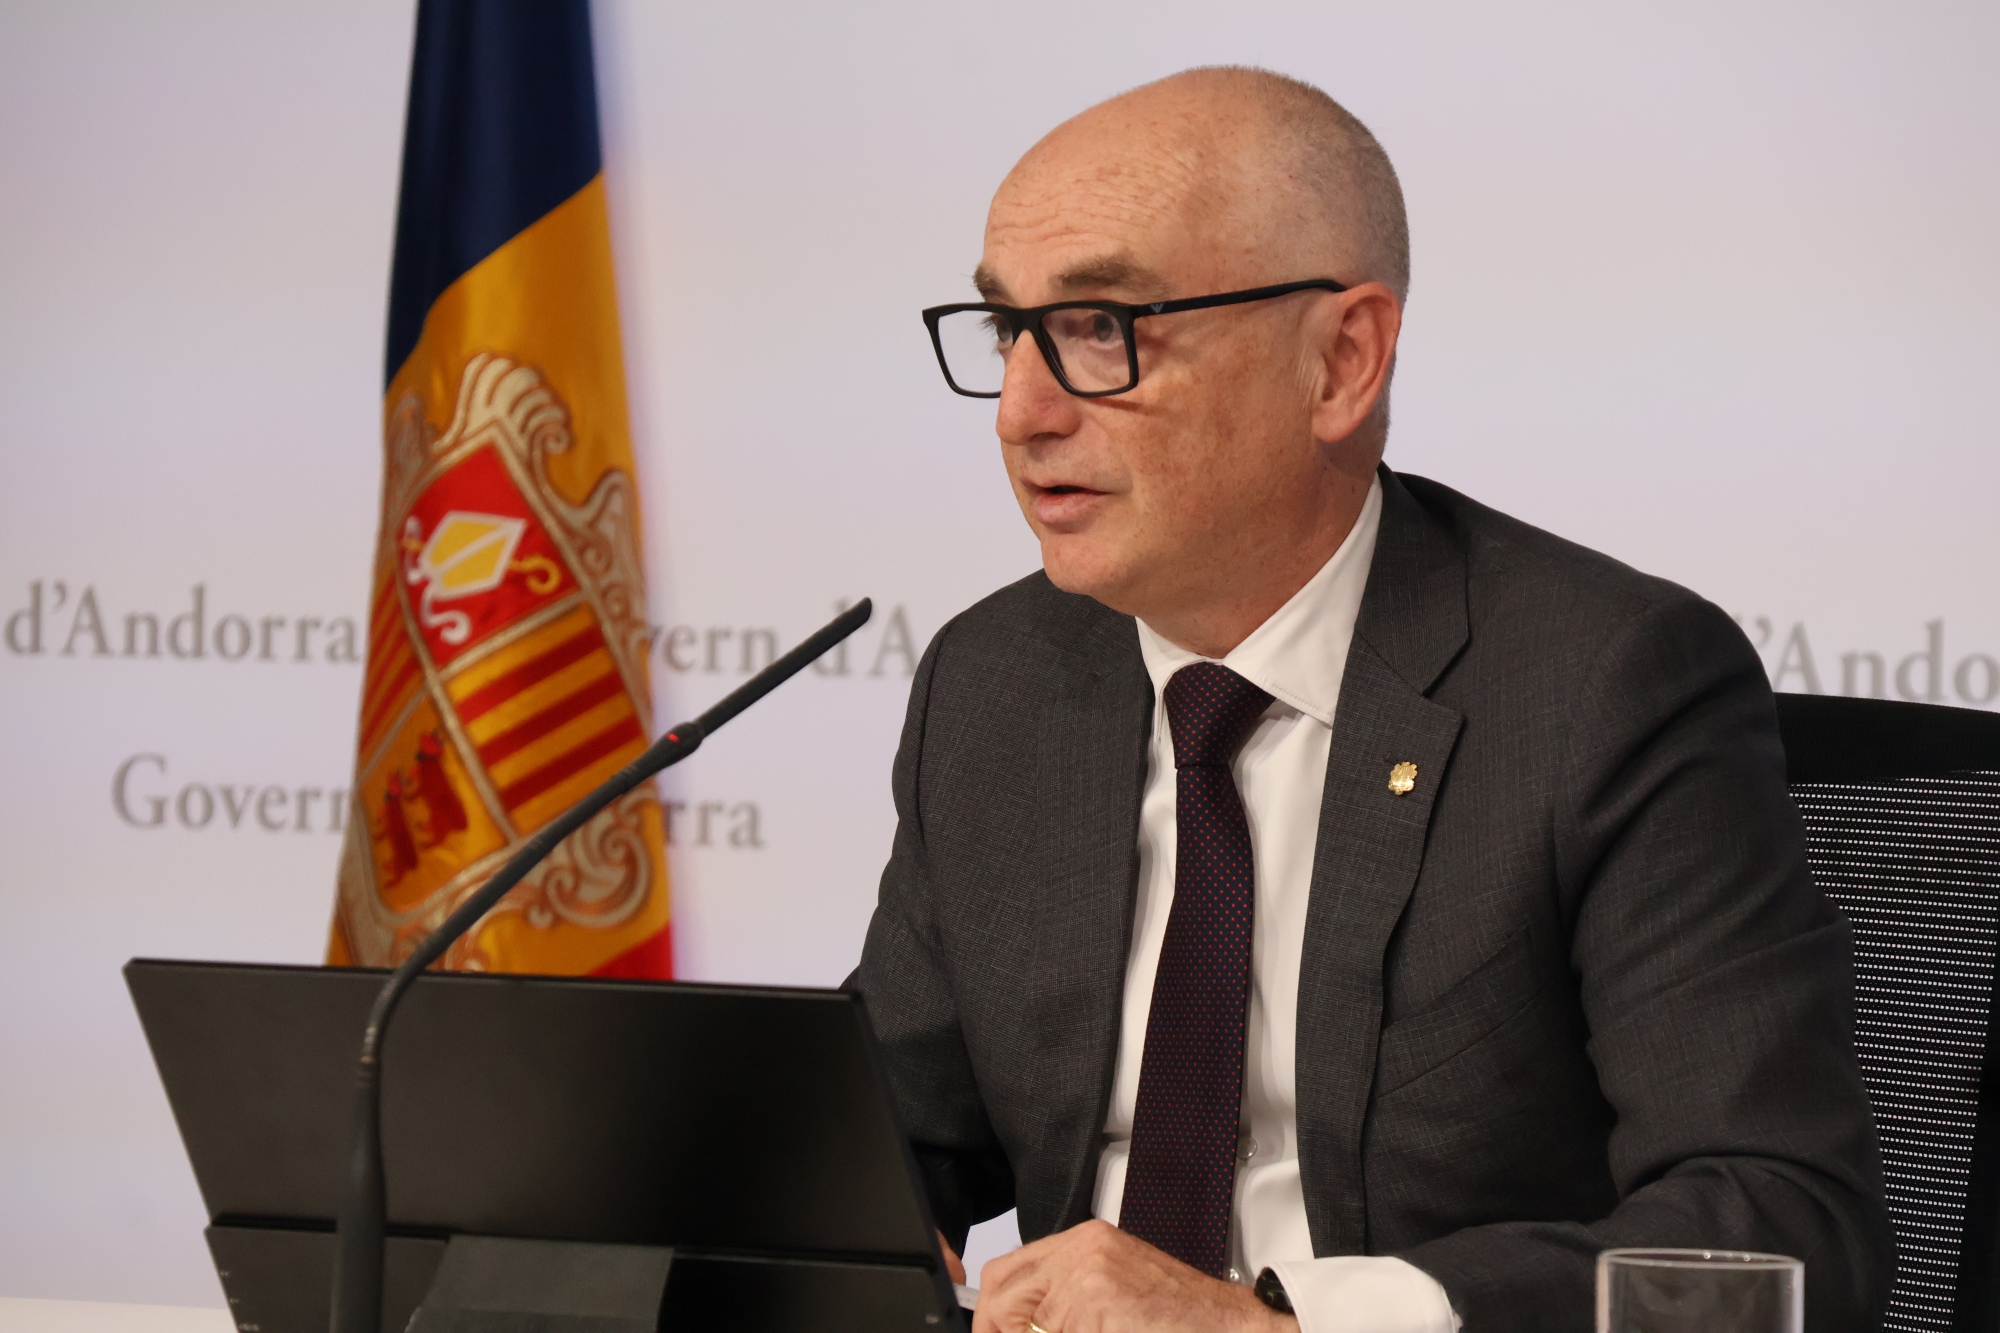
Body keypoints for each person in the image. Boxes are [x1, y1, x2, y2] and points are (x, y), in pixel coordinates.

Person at [848, 66, 1891, 1333]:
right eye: (1004, 331)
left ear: (1340, 361)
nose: (1020, 413)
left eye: (1100, 328)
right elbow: (885, 1146)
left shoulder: (1600, 687)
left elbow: (1777, 1220)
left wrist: (1282, 1323)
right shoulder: (999, 678)